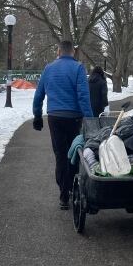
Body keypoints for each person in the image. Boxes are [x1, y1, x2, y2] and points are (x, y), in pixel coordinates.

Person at [32, 40, 94, 210]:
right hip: (74, 117)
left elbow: (39, 95)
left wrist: (37, 115)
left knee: (60, 154)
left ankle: (63, 195)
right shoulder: (78, 68)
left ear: (58, 51)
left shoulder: (48, 68)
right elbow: (83, 96)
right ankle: (73, 188)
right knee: (74, 153)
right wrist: (90, 120)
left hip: (54, 117)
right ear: (73, 52)